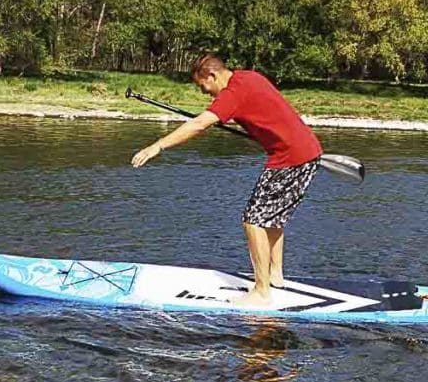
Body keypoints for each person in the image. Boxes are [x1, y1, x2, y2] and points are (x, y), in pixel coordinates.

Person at [131, 54, 322, 307]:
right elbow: (269, 113)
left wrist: (158, 146)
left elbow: (199, 124)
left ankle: (261, 291)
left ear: (212, 75)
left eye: (203, 86)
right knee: (273, 217)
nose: (205, 93)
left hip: (290, 157)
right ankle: (275, 276)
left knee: (253, 220)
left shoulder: (232, 94)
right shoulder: (249, 76)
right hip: (306, 151)